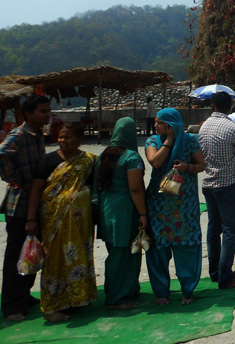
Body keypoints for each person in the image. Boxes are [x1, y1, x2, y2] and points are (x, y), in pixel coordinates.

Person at [25, 122, 97, 322]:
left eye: (67, 137)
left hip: (79, 223)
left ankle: (77, 298)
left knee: (77, 257)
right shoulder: (48, 161)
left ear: (79, 140)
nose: (62, 141)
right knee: (54, 260)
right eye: (60, 137)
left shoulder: (88, 161)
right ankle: (53, 307)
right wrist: (31, 219)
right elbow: (36, 191)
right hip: (53, 222)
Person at [145, 108, 205, 305]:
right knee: (158, 248)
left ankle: (188, 291)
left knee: (186, 245)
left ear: (169, 125)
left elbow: (202, 164)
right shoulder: (154, 141)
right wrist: (170, 141)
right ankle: (162, 293)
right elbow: (155, 162)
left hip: (184, 206)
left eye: (159, 122)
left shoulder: (189, 141)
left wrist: (187, 167)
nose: (155, 126)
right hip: (159, 204)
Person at [0, 94, 50, 321]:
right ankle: (12, 305)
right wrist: (15, 178)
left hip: (36, 202)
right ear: (28, 114)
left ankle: (24, 294)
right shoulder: (19, 135)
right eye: (42, 111)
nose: (47, 115)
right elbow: (1, 155)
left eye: (48, 111)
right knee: (15, 255)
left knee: (32, 252)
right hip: (20, 204)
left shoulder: (38, 134)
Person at [199, 91, 235, 290]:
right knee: (230, 230)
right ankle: (226, 276)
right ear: (230, 107)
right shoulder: (233, 128)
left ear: (212, 106)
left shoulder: (203, 127)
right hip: (227, 183)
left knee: (213, 229)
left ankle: (215, 272)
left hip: (208, 183)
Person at [96, 117, 148, 309]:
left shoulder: (104, 155)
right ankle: (118, 298)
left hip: (107, 210)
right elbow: (135, 189)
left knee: (116, 252)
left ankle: (127, 290)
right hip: (125, 211)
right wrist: (143, 213)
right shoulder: (132, 157)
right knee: (123, 255)